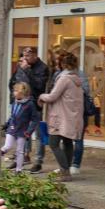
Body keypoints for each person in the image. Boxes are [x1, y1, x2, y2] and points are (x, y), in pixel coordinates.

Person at [37, 52, 84, 182]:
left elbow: (53, 96)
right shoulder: (76, 78)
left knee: (54, 143)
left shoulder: (64, 79)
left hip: (61, 116)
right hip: (71, 116)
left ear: (63, 64)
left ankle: (65, 171)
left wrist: (41, 96)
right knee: (68, 142)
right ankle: (66, 171)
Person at [8, 47, 50, 173]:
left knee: (38, 134)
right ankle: (23, 156)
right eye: (24, 55)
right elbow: (13, 82)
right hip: (20, 104)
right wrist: (14, 96)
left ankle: (38, 161)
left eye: (28, 55)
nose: (25, 58)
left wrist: (27, 71)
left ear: (35, 55)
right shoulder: (22, 66)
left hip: (34, 104)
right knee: (21, 132)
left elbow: (39, 85)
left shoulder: (42, 68)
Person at [1, 83, 39, 173]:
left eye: (16, 91)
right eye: (14, 90)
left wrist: (29, 131)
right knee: (7, 146)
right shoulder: (14, 102)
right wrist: (7, 124)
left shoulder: (30, 104)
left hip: (23, 131)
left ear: (22, 93)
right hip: (12, 128)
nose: (13, 92)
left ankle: (18, 170)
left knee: (20, 151)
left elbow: (35, 120)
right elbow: (12, 115)